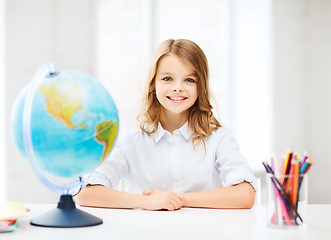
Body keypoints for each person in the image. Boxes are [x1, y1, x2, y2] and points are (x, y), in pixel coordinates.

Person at [77, 39, 256, 210]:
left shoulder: (218, 138)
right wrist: (147, 201)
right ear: (153, 84)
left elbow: (245, 195)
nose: (178, 87)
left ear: (200, 87)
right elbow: (87, 194)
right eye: (167, 79)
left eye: (189, 80)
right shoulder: (130, 142)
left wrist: (180, 199)